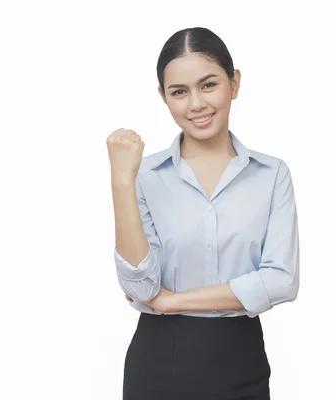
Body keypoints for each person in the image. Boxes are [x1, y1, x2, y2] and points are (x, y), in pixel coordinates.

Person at [106, 27, 300, 399]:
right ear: (164, 97)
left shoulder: (272, 174)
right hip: (158, 361)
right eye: (179, 92)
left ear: (234, 83)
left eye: (208, 85)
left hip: (241, 360)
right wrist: (120, 182)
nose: (195, 104)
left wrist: (172, 301)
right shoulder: (142, 175)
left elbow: (282, 280)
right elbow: (140, 287)